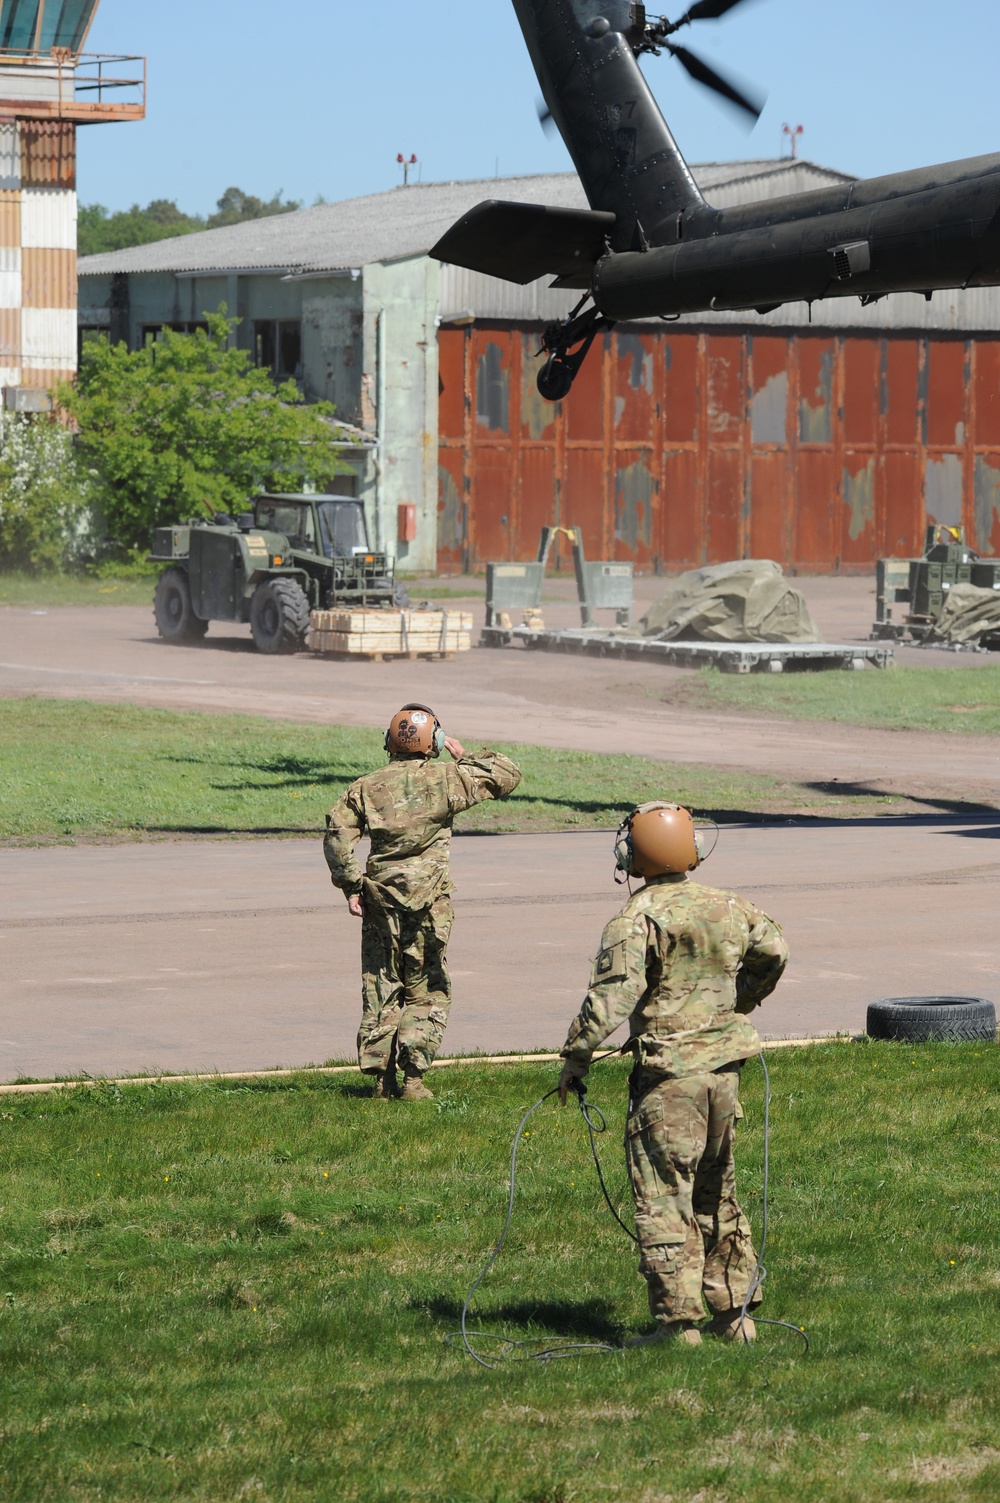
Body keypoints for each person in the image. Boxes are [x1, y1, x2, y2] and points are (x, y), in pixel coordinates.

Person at [557, 802, 788, 1347]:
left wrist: (576, 1057)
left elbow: (614, 995)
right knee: (718, 1191)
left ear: (633, 854)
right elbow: (774, 952)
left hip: (669, 1082)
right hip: (724, 1074)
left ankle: (678, 1326)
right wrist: (738, 1003)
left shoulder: (635, 917)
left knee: (665, 1196)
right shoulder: (731, 905)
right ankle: (736, 1317)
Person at [324, 704, 521, 1101]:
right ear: (434, 740)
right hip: (431, 900)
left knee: (382, 982)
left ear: (389, 742)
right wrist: (459, 752)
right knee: (425, 984)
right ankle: (414, 1079)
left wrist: (353, 886)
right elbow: (507, 774)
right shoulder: (449, 778)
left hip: (380, 899)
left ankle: (381, 1080)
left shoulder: (365, 786)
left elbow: (336, 837)